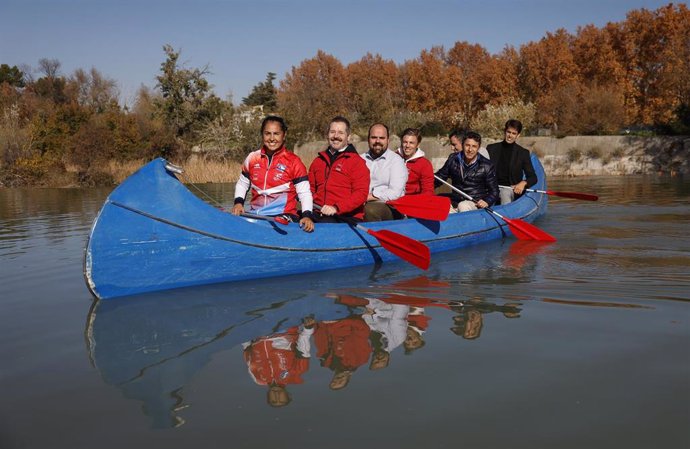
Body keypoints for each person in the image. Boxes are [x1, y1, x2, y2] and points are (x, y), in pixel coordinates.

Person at [232, 115, 315, 232]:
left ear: (284, 135)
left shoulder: (294, 161)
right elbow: (242, 183)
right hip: (256, 214)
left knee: (282, 218)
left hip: (284, 216)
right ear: (262, 135)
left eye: (276, 134)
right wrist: (238, 203)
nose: (271, 138)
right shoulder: (252, 158)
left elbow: (305, 193)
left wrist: (307, 216)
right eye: (267, 133)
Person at [242, 316, 316, 407]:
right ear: (288, 395)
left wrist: (244, 335)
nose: (277, 396)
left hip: (257, 335)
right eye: (281, 399)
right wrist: (308, 330)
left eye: (273, 400)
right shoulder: (296, 373)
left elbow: (248, 355)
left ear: (268, 397)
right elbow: (303, 351)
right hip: (282, 332)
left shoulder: (258, 379)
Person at [308, 116, 370, 222]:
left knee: (324, 225)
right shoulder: (318, 162)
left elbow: (361, 194)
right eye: (332, 132)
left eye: (340, 132)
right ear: (327, 135)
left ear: (348, 137)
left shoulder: (357, 162)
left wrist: (336, 208)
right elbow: (310, 189)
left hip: (344, 216)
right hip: (318, 212)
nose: (336, 136)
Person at [434, 131, 498, 212]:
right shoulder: (453, 159)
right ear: (463, 145)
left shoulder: (487, 165)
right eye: (467, 145)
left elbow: (494, 191)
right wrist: (424, 187)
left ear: (478, 148)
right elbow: (439, 178)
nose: (470, 150)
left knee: (463, 206)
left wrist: (487, 201)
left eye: (474, 146)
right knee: (437, 200)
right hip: (456, 200)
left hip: (475, 203)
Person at [361, 123, 407, 221]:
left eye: (382, 138)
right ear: (368, 139)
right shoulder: (360, 159)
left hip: (388, 206)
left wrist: (368, 197)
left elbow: (395, 193)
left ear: (388, 140)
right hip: (361, 201)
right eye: (374, 137)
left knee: (370, 210)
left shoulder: (396, 161)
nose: (377, 141)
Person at [486, 119, 538, 205]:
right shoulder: (491, 148)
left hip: (510, 190)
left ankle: (505, 214)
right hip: (492, 188)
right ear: (505, 132)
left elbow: (533, 177)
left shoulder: (523, 153)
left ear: (518, 135)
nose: (510, 136)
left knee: (504, 193)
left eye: (514, 133)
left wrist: (523, 183)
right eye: (508, 132)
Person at [397, 128, 434, 196]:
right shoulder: (393, 158)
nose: (407, 146)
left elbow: (427, 191)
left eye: (411, 143)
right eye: (405, 142)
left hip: (412, 200)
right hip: (391, 199)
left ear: (418, 144)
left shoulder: (425, 164)